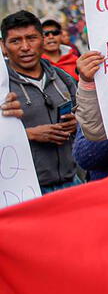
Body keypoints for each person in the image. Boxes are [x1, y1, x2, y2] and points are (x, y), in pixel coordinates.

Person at [4, 11, 80, 194]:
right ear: (4, 47)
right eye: (15, 41)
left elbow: (89, 121)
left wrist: (77, 123)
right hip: (24, 192)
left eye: (31, 38)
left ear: (42, 40)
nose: (25, 47)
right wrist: (27, 135)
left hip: (72, 183)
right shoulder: (2, 87)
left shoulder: (63, 78)